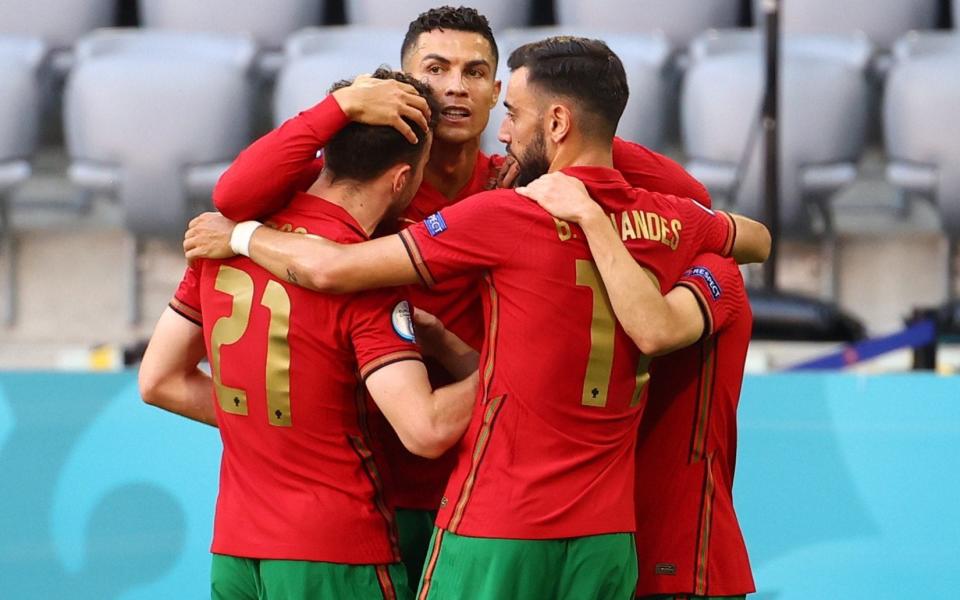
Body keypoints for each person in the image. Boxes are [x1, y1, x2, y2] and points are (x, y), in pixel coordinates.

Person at [185, 36, 771, 599]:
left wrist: (238, 235)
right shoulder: (671, 221)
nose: (504, 129)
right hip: (603, 530)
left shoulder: (500, 213)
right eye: (435, 71)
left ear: (556, 122)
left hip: (492, 518)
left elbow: (329, 268)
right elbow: (747, 235)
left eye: (511, 110)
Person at [139, 70, 479, 600]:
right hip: (336, 555)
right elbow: (425, 428)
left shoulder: (222, 242)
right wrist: (515, 367)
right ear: (399, 179)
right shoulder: (362, 275)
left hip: (236, 550)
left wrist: (275, 428)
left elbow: (159, 380)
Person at [518, 172, 756, 600]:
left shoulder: (716, 272)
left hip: (684, 554)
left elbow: (657, 329)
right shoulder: (593, 273)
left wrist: (591, 216)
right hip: (607, 540)